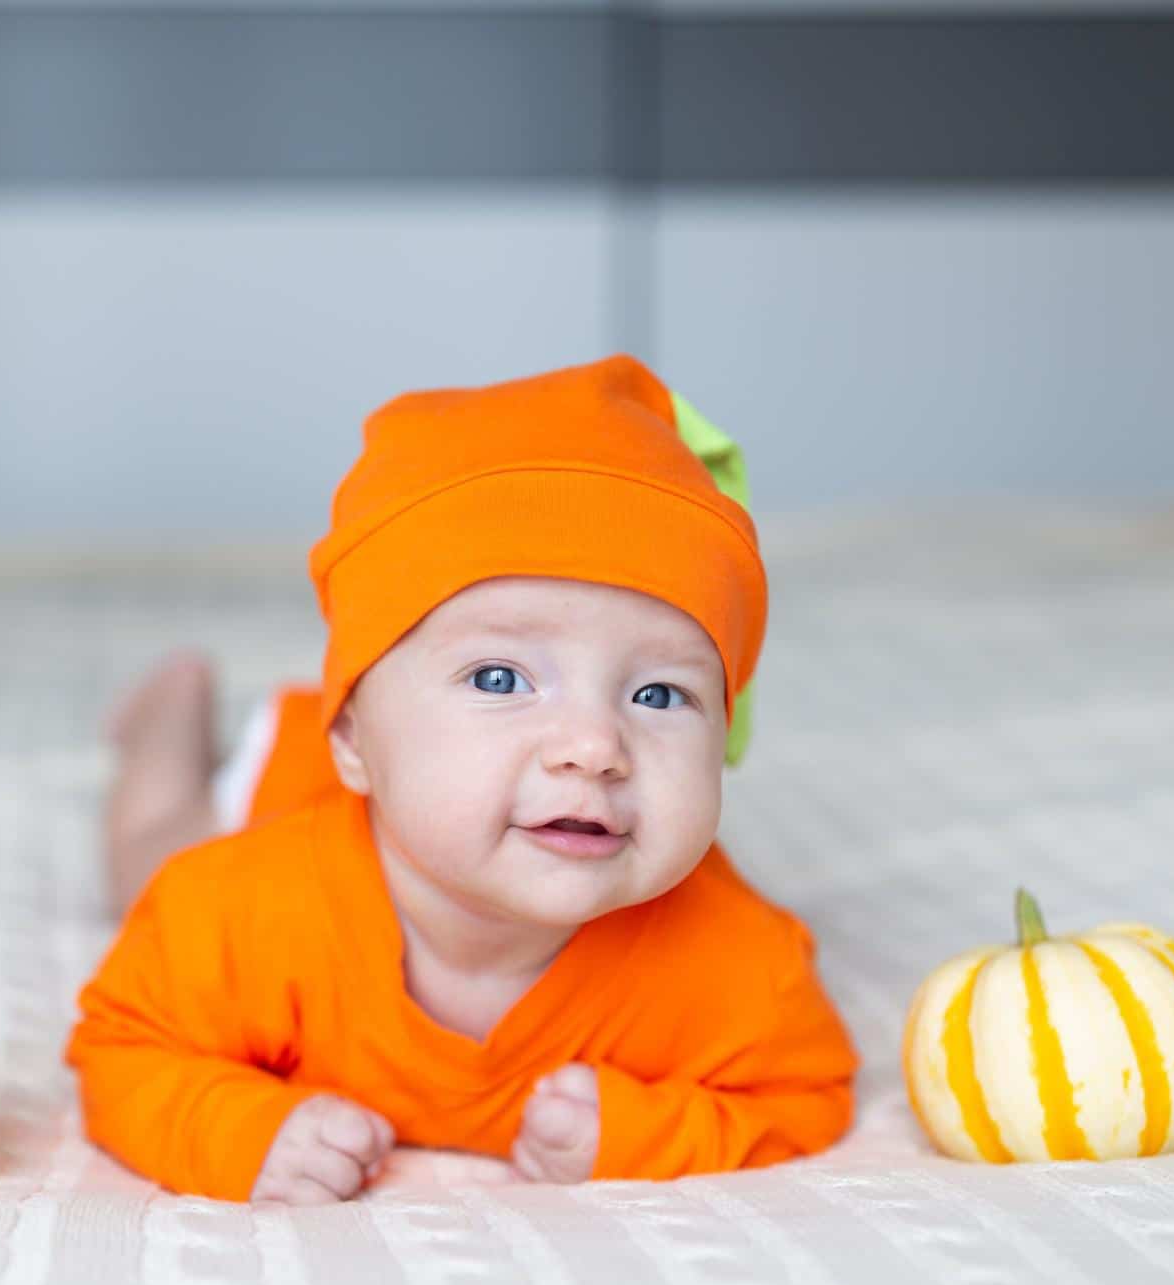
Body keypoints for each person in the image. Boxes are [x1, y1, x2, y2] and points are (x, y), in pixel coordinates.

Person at [70, 355, 858, 1203]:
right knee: (146, 865)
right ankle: (167, 718)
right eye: (499, 678)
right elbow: (120, 1044)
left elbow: (804, 1094)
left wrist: (643, 1132)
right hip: (287, 784)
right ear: (357, 741)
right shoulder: (246, 909)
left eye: (659, 693)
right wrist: (231, 1127)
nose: (594, 746)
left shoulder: (736, 962)